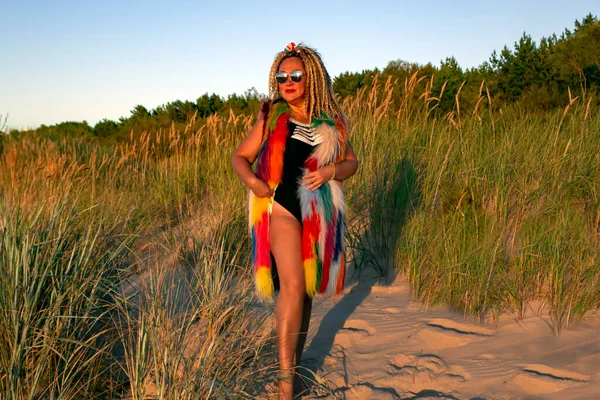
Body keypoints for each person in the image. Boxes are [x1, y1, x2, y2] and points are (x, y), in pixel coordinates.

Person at [231, 42, 359, 399]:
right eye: (281, 76)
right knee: (290, 286)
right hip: (281, 207)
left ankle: (295, 371)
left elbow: (352, 163)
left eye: (296, 75)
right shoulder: (272, 117)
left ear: (312, 77)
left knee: (303, 291)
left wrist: (333, 169)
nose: (288, 81)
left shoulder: (333, 122)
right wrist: (255, 183)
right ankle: (285, 384)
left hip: (317, 214)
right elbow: (240, 157)